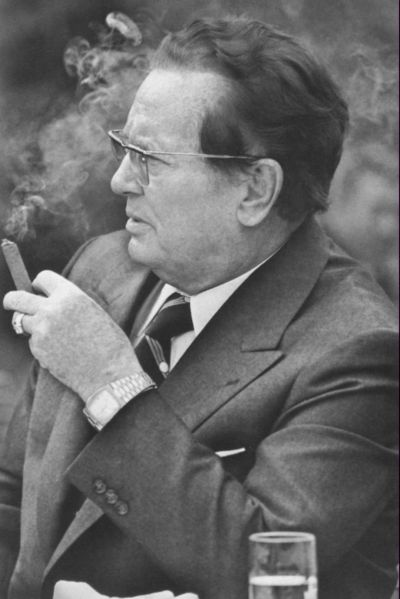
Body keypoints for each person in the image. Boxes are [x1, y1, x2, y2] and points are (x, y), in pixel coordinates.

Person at [0, 15, 398, 599]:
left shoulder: (357, 350)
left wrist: (113, 386)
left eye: (148, 157)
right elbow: (13, 498)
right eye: (123, 148)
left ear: (255, 190)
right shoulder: (101, 267)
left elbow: (266, 567)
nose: (119, 181)